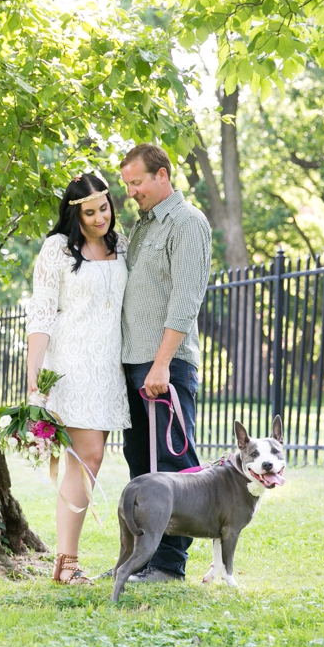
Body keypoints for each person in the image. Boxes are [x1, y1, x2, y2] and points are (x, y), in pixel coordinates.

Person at [25, 174, 130, 584]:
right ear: (75, 213)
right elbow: (42, 313)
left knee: (88, 459)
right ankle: (67, 562)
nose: (100, 217)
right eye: (90, 212)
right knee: (87, 458)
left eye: (104, 208)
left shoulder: (121, 246)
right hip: (70, 363)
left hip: (107, 366)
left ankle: (65, 562)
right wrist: (35, 377)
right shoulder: (56, 249)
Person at [119, 143, 212, 584]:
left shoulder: (187, 223)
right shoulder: (143, 228)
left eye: (137, 182)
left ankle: (170, 565)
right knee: (141, 469)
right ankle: (144, 560)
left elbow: (185, 299)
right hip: (135, 365)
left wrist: (161, 364)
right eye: (128, 185)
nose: (132, 191)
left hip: (165, 368)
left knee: (172, 471)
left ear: (162, 175)